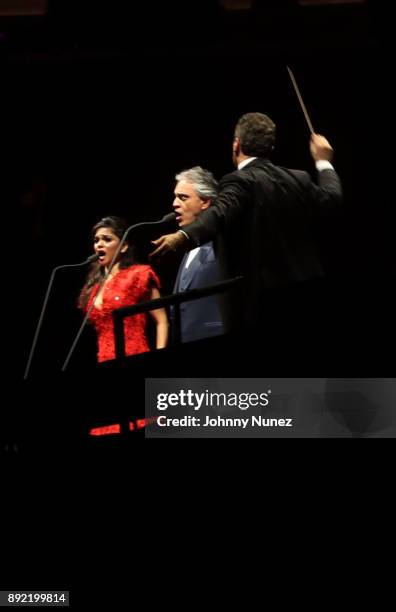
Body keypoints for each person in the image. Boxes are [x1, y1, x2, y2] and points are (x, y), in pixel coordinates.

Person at [151, 112, 342, 332]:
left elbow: (219, 212)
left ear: (236, 145)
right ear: (269, 148)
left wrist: (182, 236)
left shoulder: (239, 180)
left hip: (261, 306)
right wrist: (323, 162)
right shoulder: (299, 178)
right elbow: (332, 198)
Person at [79, 216, 168, 362]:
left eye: (107, 239)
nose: (99, 245)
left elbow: (162, 320)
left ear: (124, 246)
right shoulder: (94, 286)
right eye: (96, 240)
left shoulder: (138, 275)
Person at [171, 166, 224, 343]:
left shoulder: (221, 243)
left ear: (205, 202)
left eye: (183, 197)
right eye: (175, 197)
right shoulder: (188, 248)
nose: (175, 204)